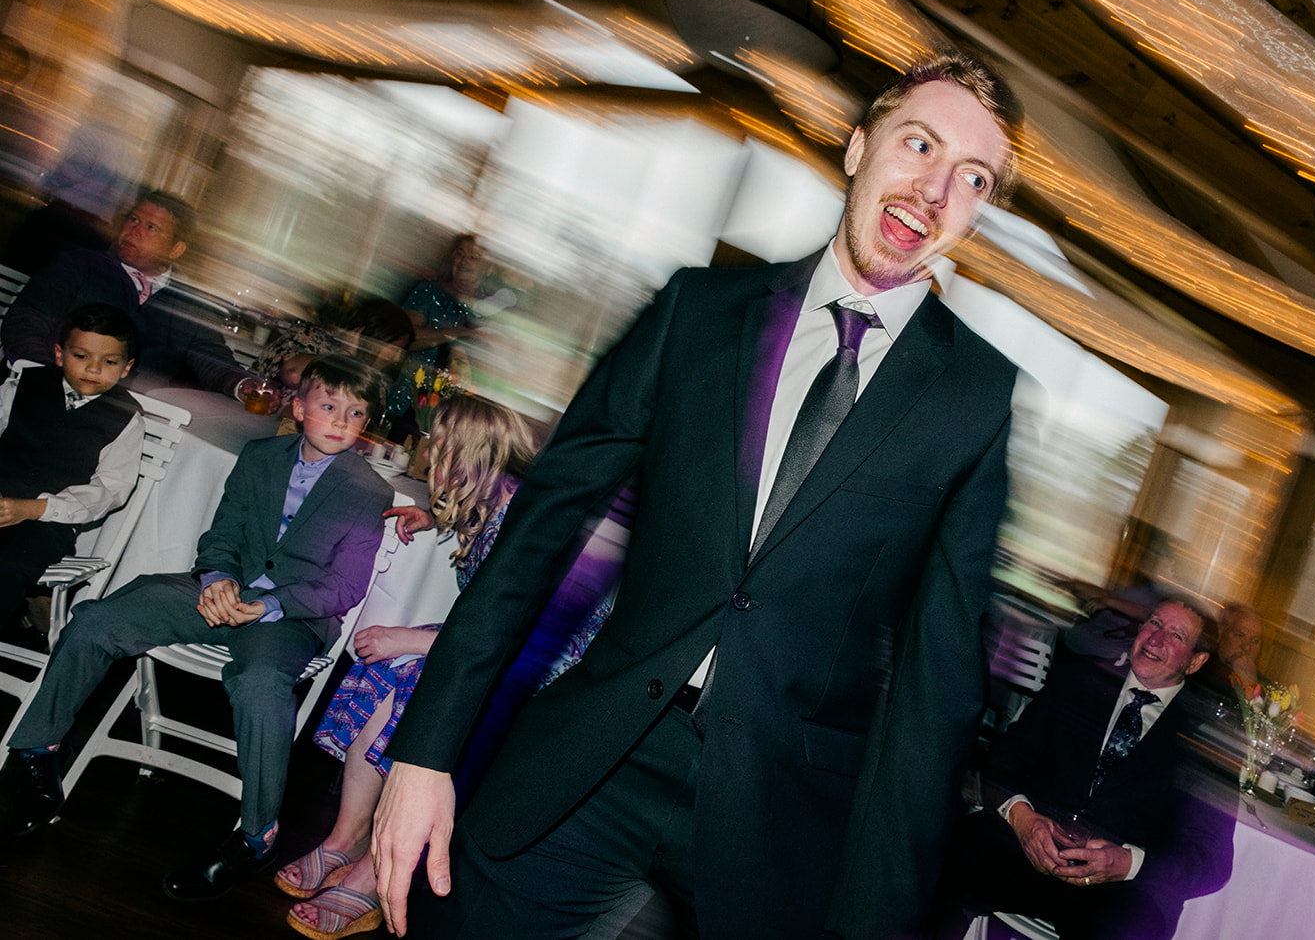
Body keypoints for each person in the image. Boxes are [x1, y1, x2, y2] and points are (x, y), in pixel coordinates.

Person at [369, 52, 1024, 939]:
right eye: (919, 144)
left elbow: (936, 681)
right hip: (591, 763)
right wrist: (424, 750)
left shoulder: (975, 396)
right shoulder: (699, 313)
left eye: (972, 177)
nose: (935, 189)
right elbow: (540, 531)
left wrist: (881, 919)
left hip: (780, 819)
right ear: (858, 147)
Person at [1, 355, 394, 903]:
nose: (340, 421)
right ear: (300, 407)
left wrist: (269, 606)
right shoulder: (260, 456)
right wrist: (216, 578)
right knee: (97, 620)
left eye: (355, 414)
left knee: (260, 685)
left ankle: (258, 836)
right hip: (217, 592)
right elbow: (223, 532)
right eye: (329, 406)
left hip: (290, 617)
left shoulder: (366, 491)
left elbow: (344, 587)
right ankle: (34, 753)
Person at [274, 396, 559, 940]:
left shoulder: (522, 523)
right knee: (381, 664)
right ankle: (349, 834)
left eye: (441, 441)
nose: (430, 449)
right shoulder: (493, 502)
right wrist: (434, 516)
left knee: (409, 671)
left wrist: (412, 637)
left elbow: (516, 635)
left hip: (543, 666)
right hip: (495, 645)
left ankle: (376, 868)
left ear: (469, 453)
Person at [934, 599, 1234, 940]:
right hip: (1028, 850)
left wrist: (1125, 863)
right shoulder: (1080, 679)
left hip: (1117, 892)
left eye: (1176, 636)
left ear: (1196, 662)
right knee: (955, 851)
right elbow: (1007, 754)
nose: (1155, 639)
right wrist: (1022, 818)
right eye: (1153, 623)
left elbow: (1211, 859)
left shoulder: (1203, 743)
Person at [1, 189, 251, 394]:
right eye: (133, 219)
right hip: (54, 392)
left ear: (176, 250)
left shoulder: (189, 304)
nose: (135, 230)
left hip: (142, 418)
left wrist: (243, 386)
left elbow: (213, 360)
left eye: (152, 227)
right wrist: (60, 381)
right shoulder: (79, 266)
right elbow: (25, 324)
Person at [0, 303, 143, 638]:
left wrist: (36, 508)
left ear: (126, 368)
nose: (94, 369)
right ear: (60, 354)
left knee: (5, 568)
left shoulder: (124, 418)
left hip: (44, 524)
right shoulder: (24, 385)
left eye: (109, 362)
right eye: (81, 356)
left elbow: (110, 489)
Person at [253, 296, 416, 393]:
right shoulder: (310, 336)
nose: (396, 358)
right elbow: (294, 374)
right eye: (394, 349)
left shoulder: (373, 377)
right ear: (370, 338)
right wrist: (345, 359)